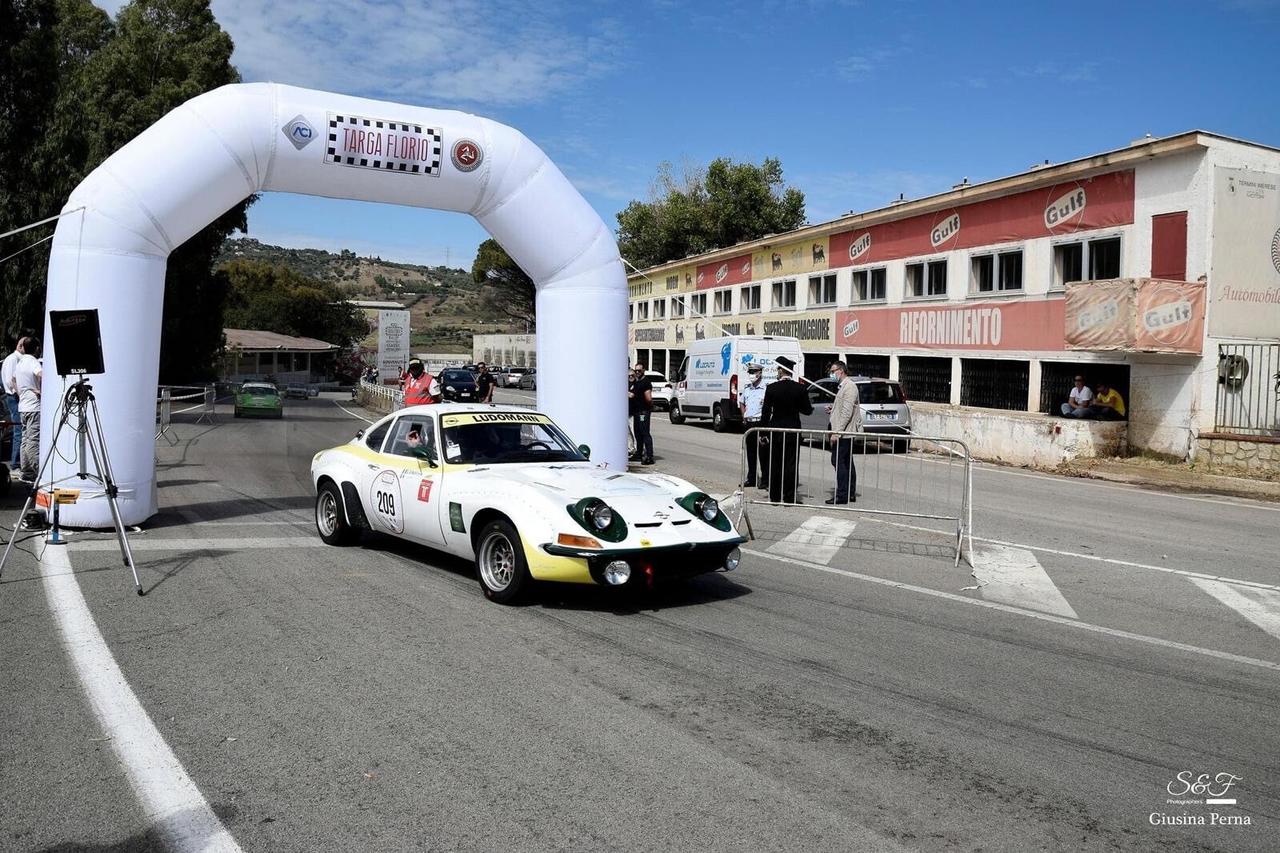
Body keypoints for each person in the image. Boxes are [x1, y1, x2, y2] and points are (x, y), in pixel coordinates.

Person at [761, 356, 812, 503]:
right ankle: (789, 497)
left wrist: (763, 432)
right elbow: (807, 410)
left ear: (782, 370)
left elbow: (765, 412)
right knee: (790, 464)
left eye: (778, 369)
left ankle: (775, 496)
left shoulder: (771, 388)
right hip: (792, 431)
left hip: (775, 430)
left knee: (775, 463)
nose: (777, 372)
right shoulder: (800, 388)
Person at [826, 361, 858, 505]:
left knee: (838, 461)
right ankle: (849, 492)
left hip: (845, 433)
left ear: (841, 370)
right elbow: (842, 408)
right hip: (843, 431)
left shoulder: (849, 387)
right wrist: (833, 409)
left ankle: (842, 494)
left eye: (833, 371)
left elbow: (847, 412)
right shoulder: (843, 387)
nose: (832, 374)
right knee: (846, 462)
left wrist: (837, 432)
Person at [14, 337, 42, 482]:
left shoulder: (20, 362)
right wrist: (40, 390)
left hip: (23, 406)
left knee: (25, 440)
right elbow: (41, 374)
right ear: (37, 348)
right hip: (33, 407)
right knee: (33, 441)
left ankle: (26, 472)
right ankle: (40, 471)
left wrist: (23, 391)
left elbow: (13, 380)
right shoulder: (33, 361)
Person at [738, 363, 768, 489]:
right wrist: (744, 416)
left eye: (754, 372)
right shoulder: (747, 388)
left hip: (760, 422)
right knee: (750, 453)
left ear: (760, 373)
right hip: (749, 423)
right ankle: (751, 478)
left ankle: (766, 479)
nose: (751, 375)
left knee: (764, 453)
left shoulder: (766, 388)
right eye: (750, 372)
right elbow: (742, 403)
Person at [1, 336, 28, 470]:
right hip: (14, 398)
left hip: (14, 397)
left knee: (20, 430)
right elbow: (10, 380)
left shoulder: (16, 358)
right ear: (21, 346)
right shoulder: (13, 359)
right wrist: (20, 394)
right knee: (19, 430)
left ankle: (18, 461)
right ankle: (15, 463)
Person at [628, 365, 655, 465]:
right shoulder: (637, 382)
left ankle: (649, 456)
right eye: (636, 370)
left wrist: (649, 407)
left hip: (643, 411)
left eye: (639, 370)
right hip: (637, 411)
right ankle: (639, 454)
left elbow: (648, 398)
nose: (637, 372)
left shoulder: (645, 382)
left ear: (643, 370)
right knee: (638, 433)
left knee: (644, 433)